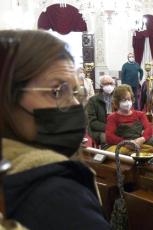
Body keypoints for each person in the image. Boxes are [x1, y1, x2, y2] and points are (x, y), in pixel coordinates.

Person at [0, 30, 110, 229]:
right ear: (6, 97)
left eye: (77, 92)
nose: (76, 103)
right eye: (57, 91)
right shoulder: (57, 195)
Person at [87, 75, 115, 145]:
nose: (109, 86)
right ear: (101, 85)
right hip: (99, 130)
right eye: (106, 84)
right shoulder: (93, 100)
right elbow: (92, 122)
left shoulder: (117, 98)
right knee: (107, 138)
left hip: (116, 127)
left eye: (111, 83)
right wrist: (109, 128)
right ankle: (106, 155)